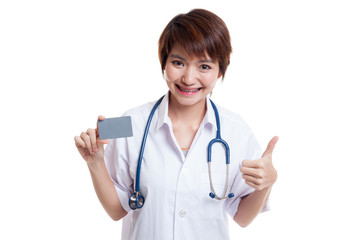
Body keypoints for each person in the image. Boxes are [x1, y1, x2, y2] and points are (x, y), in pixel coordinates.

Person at [74, 8, 278, 240]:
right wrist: (95, 161)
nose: (189, 79)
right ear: (164, 63)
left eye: (204, 66)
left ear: (220, 70)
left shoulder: (236, 130)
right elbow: (115, 210)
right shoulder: (129, 122)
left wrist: (266, 184)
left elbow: (242, 218)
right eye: (178, 62)